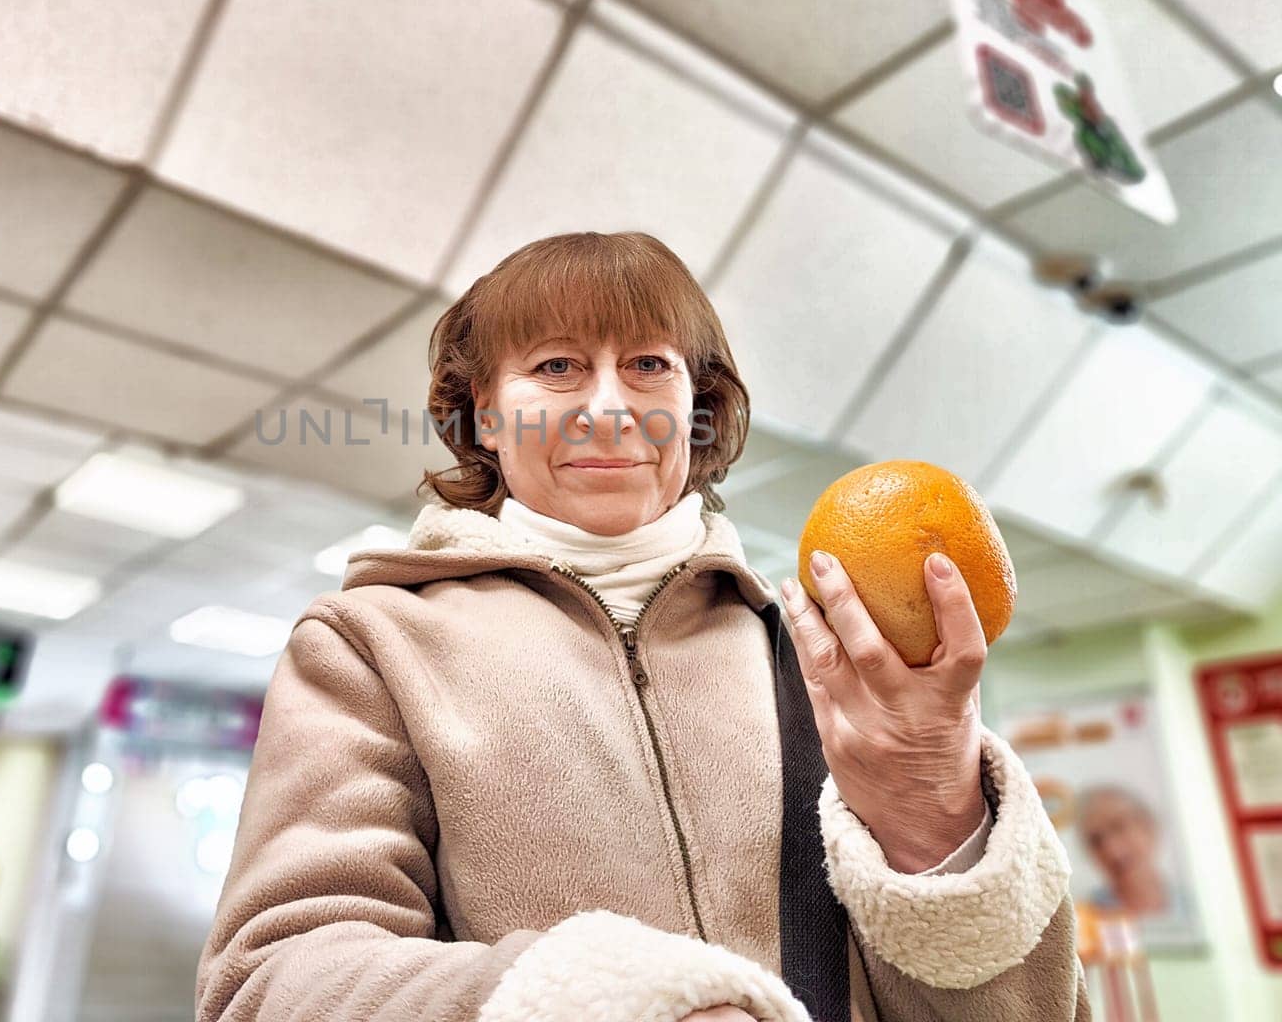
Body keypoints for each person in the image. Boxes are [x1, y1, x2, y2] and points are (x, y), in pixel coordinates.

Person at [196, 232, 1089, 1021]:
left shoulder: (814, 652)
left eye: (649, 365)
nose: (611, 407)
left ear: (696, 408)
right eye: (555, 367)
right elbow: (273, 982)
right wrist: (603, 1003)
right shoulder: (370, 647)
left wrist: (938, 819)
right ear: (483, 416)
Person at [1076, 784, 1171, 917]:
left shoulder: (1198, 901)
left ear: (1148, 826)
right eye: (1096, 840)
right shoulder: (1085, 918)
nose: (1112, 850)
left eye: (1118, 827)